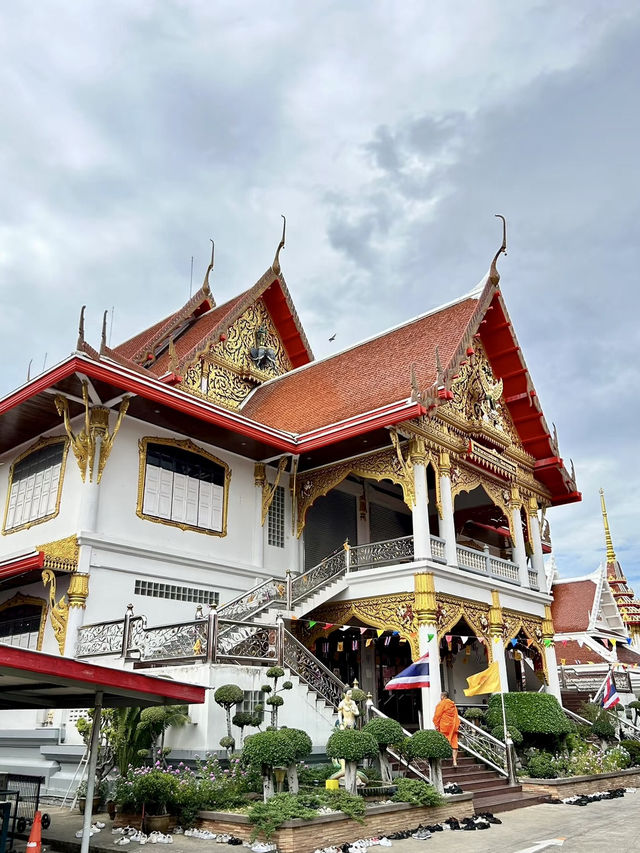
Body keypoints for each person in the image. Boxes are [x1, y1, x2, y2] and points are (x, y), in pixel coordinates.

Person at [433, 690, 460, 766]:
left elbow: (437, 715)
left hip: (444, 725)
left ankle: (442, 759)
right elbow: (456, 716)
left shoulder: (442, 703)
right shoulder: (452, 704)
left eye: (441, 696)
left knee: (443, 741)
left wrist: (436, 724)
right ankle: (454, 761)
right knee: (454, 743)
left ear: (443, 696)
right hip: (453, 726)